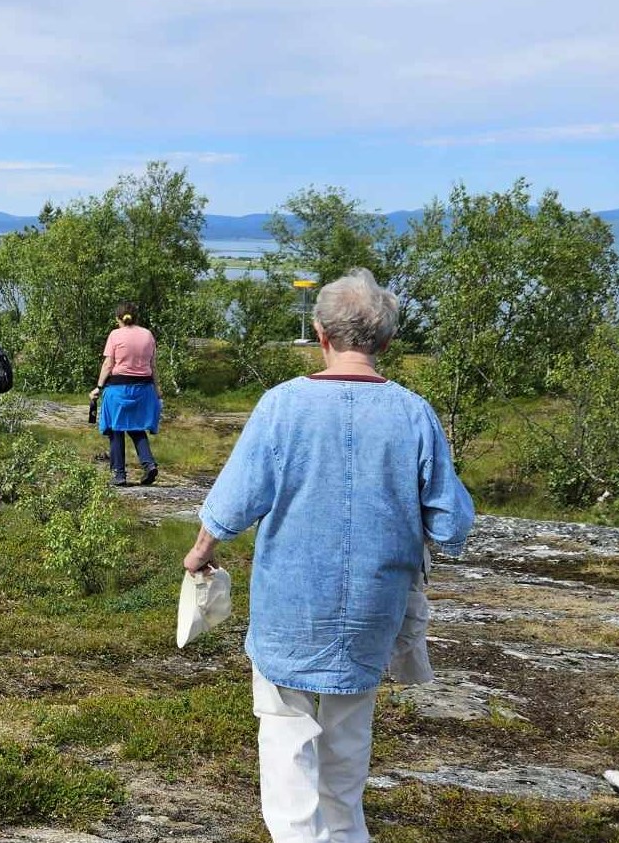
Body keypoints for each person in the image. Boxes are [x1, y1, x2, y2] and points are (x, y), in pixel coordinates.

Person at [181, 268, 473, 843]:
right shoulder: (414, 413)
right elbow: (451, 524)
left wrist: (200, 553)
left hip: (290, 601)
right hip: (374, 602)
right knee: (348, 737)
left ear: (320, 334)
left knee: (286, 734)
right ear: (386, 343)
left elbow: (234, 501)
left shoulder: (281, 406)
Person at [91, 301, 161, 486]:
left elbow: (108, 364)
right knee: (136, 428)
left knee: (115, 429)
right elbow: (152, 365)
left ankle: (119, 474)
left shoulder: (115, 335)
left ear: (118, 319)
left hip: (119, 389)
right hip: (144, 389)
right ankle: (149, 464)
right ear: (135, 317)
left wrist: (98, 386)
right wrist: (158, 389)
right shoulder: (147, 335)